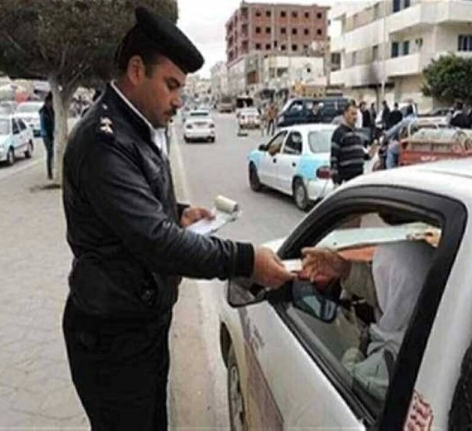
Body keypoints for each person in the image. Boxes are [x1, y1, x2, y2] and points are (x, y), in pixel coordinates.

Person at [61, 7, 293, 430]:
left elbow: (136, 205)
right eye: (171, 85)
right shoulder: (104, 141)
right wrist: (246, 261)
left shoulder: (135, 127)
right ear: (137, 71)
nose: (178, 100)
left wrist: (178, 212)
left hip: (138, 322)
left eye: (181, 88)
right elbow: (156, 241)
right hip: (112, 335)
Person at [301, 234, 437, 402]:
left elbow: (346, 381)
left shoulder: (379, 372)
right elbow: (386, 293)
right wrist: (345, 269)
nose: (378, 284)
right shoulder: (433, 328)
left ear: (394, 290)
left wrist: (353, 346)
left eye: (381, 276)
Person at [330, 104, 365, 186]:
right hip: (345, 181)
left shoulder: (357, 134)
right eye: (352, 114)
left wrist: (371, 152)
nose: (355, 117)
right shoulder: (339, 133)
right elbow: (334, 158)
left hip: (358, 179)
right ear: (345, 114)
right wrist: (336, 181)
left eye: (356, 114)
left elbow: (359, 154)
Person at [384, 105, 416, 169]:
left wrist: (387, 133)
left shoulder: (406, 120)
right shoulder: (416, 119)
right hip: (414, 144)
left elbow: (396, 128)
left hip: (407, 144)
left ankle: (390, 170)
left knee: (390, 149)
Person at [39, 93, 55, 180]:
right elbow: (44, 125)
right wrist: (48, 134)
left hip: (51, 133)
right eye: (50, 102)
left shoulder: (52, 111)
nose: (51, 103)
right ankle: (49, 172)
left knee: (52, 153)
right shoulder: (43, 112)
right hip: (46, 135)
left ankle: (52, 169)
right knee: (49, 153)